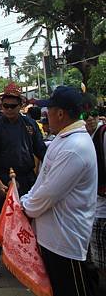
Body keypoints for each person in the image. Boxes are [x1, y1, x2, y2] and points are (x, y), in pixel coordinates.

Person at [21, 86, 98, 296]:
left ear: (61, 113)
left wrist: (25, 208)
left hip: (65, 240)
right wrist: (25, 201)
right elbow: (42, 182)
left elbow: (48, 193)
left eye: (49, 110)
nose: (46, 115)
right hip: (51, 235)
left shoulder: (75, 147)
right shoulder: (62, 139)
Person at [0, 82, 46, 280]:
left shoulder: (30, 125)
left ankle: (26, 261)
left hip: (27, 179)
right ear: (2, 106)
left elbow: (41, 150)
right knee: (1, 222)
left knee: (29, 222)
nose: (9, 109)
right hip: (3, 181)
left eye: (13, 106)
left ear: (20, 105)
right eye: (5, 106)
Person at [85, 105, 106, 286]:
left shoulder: (102, 135)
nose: (90, 119)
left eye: (93, 115)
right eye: (86, 116)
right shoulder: (87, 138)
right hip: (95, 204)